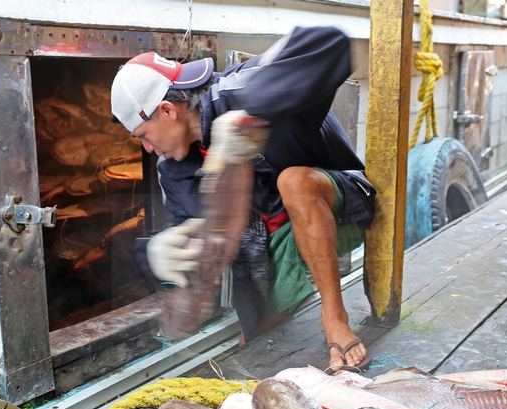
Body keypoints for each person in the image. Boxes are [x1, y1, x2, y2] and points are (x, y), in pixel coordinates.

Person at [110, 26, 375, 371]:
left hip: (342, 207)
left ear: (168, 111)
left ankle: (334, 315)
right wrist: (164, 250)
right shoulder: (171, 170)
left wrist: (252, 116)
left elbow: (332, 43)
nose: (146, 148)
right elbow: (204, 231)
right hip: (275, 240)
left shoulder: (235, 90)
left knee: (292, 181)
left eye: (143, 136)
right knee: (255, 345)